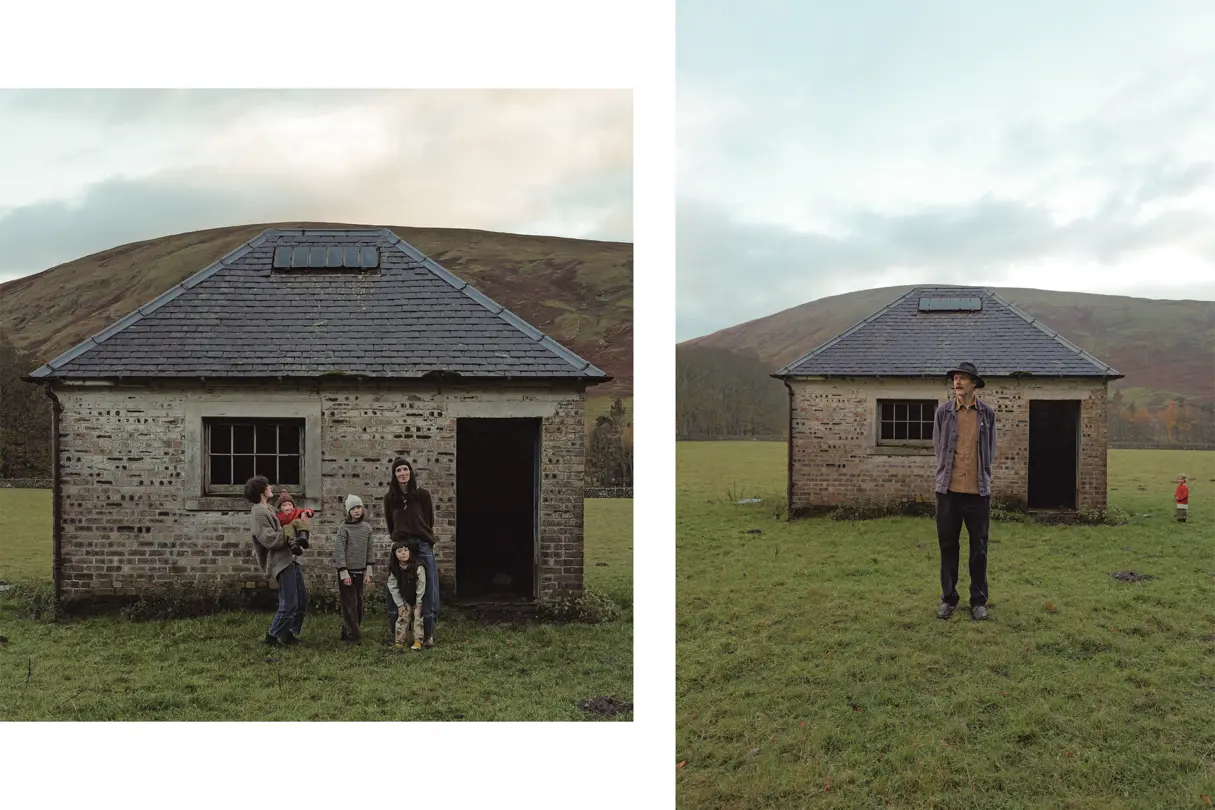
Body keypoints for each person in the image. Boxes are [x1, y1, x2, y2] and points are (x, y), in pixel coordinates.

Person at [933, 362, 996, 621]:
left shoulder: (987, 414)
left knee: (978, 548)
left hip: (978, 494)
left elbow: (991, 449)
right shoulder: (944, 412)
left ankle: (978, 601)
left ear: (974, 384)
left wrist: (984, 476)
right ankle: (949, 599)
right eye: (955, 378)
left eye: (963, 378)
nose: (957, 382)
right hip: (948, 492)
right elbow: (939, 447)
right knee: (948, 546)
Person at [246, 476, 308, 645]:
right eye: (267, 486)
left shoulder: (270, 508)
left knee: (301, 599)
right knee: (289, 601)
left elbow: (287, 517)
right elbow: (268, 539)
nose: (270, 487)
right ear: (261, 491)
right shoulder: (259, 511)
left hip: (291, 558)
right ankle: (272, 636)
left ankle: (288, 633)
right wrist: (290, 531)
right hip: (279, 560)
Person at [383, 457, 439, 646]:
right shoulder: (390, 499)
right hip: (401, 544)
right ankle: (398, 632)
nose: (402, 473)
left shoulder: (422, 495)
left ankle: (427, 634)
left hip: (421, 544)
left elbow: (428, 521)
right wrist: (400, 542)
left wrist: (423, 537)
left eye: (405, 469)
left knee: (427, 589)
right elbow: (391, 524)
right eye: (398, 470)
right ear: (394, 475)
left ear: (411, 472)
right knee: (396, 586)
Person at [333, 494, 376, 643]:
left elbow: (370, 550)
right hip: (347, 573)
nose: (356, 510)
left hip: (360, 571)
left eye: (358, 507)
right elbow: (339, 551)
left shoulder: (367, 528)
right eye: (353, 508)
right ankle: (353, 636)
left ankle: (348, 630)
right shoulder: (344, 528)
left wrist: (368, 572)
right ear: (348, 511)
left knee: (359, 605)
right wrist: (344, 573)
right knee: (350, 604)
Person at [387, 540, 427, 650]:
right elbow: (392, 586)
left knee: (418, 617)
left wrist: (419, 602)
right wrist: (400, 604)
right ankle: (400, 641)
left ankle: (418, 641)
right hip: (405, 598)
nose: (403, 553)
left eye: (405, 550)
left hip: (418, 597)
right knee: (402, 616)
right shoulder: (394, 569)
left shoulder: (417, 567)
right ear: (395, 554)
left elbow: (421, 585)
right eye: (399, 551)